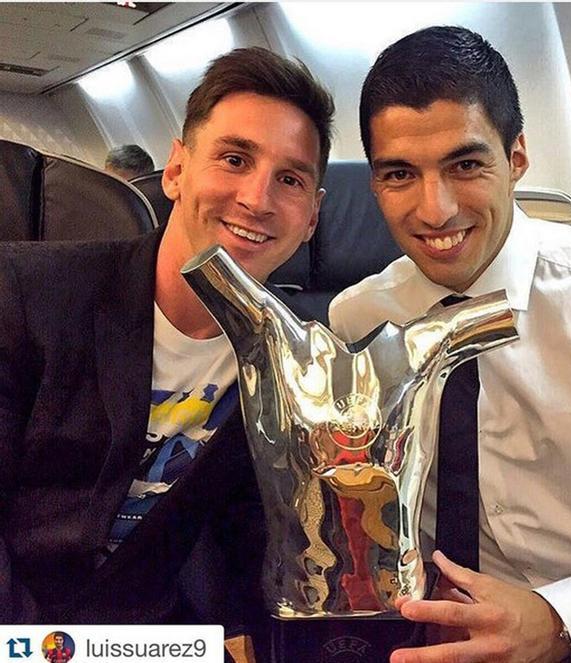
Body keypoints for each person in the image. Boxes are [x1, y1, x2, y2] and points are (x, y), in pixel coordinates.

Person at [329, 26, 571, 663]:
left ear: (518, 158)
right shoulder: (358, 317)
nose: (435, 210)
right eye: (400, 174)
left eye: (466, 164)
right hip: (421, 623)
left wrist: (561, 621)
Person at [0, 46, 334, 663]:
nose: (257, 199)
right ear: (176, 171)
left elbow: (250, 539)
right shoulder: (25, 294)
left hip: (155, 638)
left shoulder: (297, 359)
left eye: (290, 179)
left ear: (311, 215)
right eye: (234, 159)